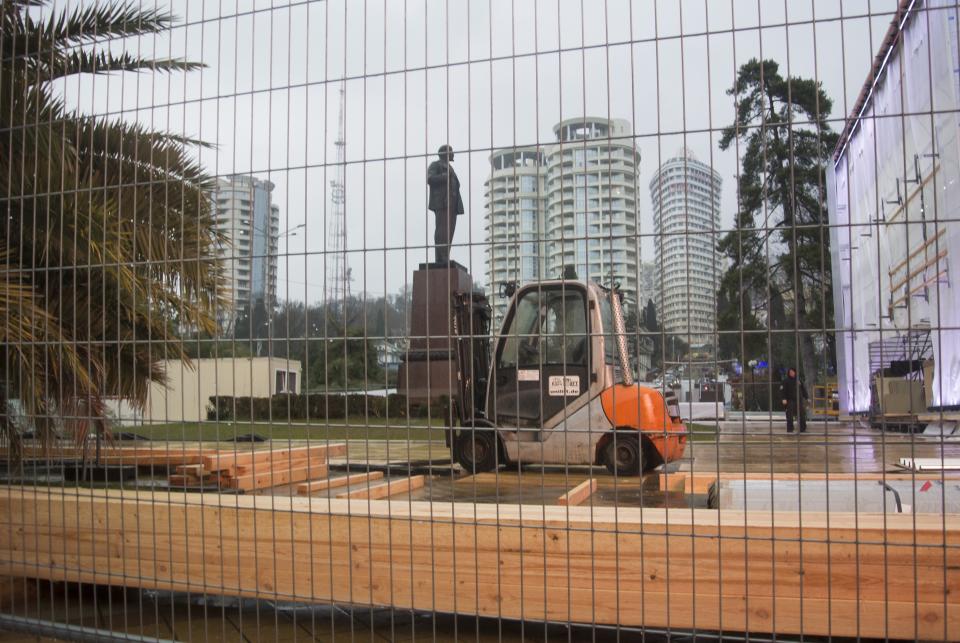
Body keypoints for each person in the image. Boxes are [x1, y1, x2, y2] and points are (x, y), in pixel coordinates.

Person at [426, 144, 465, 264]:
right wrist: (443, 177)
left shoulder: (450, 168)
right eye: (451, 151)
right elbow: (430, 179)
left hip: (453, 204)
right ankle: (440, 257)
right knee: (442, 230)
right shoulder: (436, 164)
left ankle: (445, 255)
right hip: (442, 203)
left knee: (449, 231)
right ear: (445, 153)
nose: (453, 154)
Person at [780, 367, 808, 433]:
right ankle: (790, 429)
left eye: (793, 372)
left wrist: (807, 397)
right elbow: (782, 391)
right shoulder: (785, 381)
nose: (792, 373)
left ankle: (803, 429)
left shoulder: (799, 380)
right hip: (790, 401)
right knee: (789, 416)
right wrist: (783, 399)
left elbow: (803, 389)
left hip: (799, 400)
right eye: (790, 372)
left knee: (802, 415)